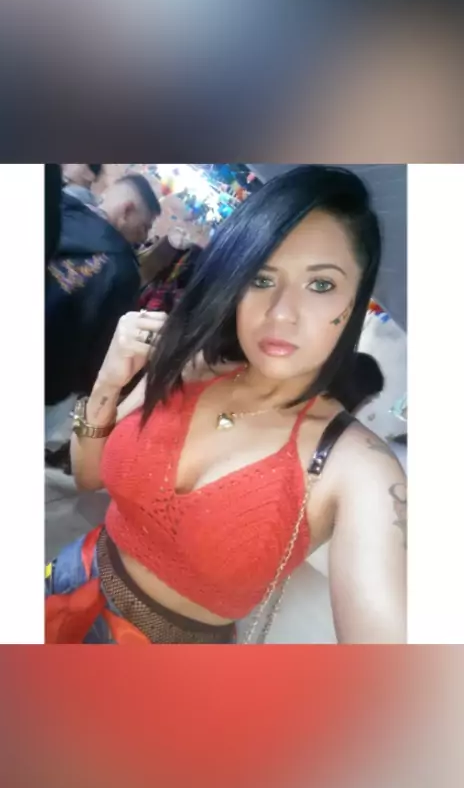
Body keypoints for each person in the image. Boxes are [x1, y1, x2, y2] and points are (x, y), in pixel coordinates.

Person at [46, 165, 407, 645]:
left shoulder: (358, 468)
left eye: (321, 284)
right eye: (261, 278)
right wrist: (109, 381)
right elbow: (87, 476)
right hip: (70, 576)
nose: (281, 313)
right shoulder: (191, 366)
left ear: (355, 300)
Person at [45, 173, 160, 457]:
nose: (144, 236)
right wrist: (90, 390)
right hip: (50, 376)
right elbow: (102, 345)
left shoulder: (58, 210)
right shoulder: (122, 270)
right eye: (143, 227)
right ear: (127, 211)